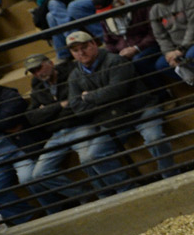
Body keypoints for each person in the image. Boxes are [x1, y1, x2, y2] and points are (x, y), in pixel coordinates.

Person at [0, 72, 75, 222]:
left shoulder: (9, 95)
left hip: (19, 150)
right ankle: (28, 216)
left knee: (28, 178)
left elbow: (9, 118)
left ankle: (56, 210)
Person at [66, 30, 175, 179]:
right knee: (91, 157)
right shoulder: (74, 76)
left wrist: (89, 97)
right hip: (112, 121)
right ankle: (127, 189)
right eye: (75, 50)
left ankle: (170, 176)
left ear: (93, 44)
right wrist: (105, 100)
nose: (81, 53)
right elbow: (77, 108)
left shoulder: (115, 61)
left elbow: (117, 91)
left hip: (141, 110)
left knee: (155, 139)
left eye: (84, 47)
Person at [24, 52, 127, 198]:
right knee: (39, 174)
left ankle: (114, 191)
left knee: (87, 159)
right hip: (57, 134)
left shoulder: (72, 74)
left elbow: (77, 106)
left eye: (39, 68)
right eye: (33, 71)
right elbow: (32, 118)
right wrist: (59, 105)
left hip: (81, 125)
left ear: (51, 63)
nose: (38, 73)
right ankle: (86, 194)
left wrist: (47, 111)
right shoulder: (37, 86)